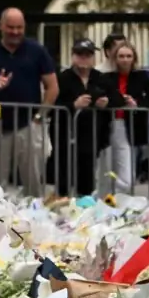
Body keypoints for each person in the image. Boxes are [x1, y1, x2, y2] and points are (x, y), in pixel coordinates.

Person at [0, 8, 57, 192]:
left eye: (19, 27)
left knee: (33, 180)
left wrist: (39, 117)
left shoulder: (37, 51)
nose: (15, 32)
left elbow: (52, 86)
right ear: (1, 26)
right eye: (10, 27)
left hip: (29, 125)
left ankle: (36, 215)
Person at [99, 40, 149, 195]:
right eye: (121, 56)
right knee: (105, 170)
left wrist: (137, 103)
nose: (125, 59)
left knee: (126, 175)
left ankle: (117, 198)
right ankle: (104, 201)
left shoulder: (141, 76)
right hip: (106, 125)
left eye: (128, 56)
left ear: (134, 58)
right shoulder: (106, 77)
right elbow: (98, 96)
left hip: (129, 126)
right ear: (115, 58)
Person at [55, 38, 111, 196]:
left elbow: (117, 98)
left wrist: (106, 102)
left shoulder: (100, 78)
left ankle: (84, 210)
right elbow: (53, 104)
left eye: (88, 55)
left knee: (87, 177)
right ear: (73, 56)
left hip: (91, 135)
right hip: (66, 135)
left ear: (93, 57)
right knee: (64, 176)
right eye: (80, 54)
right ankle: (63, 208)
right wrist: (73, 105)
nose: (84, 58)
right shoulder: (62, 78)